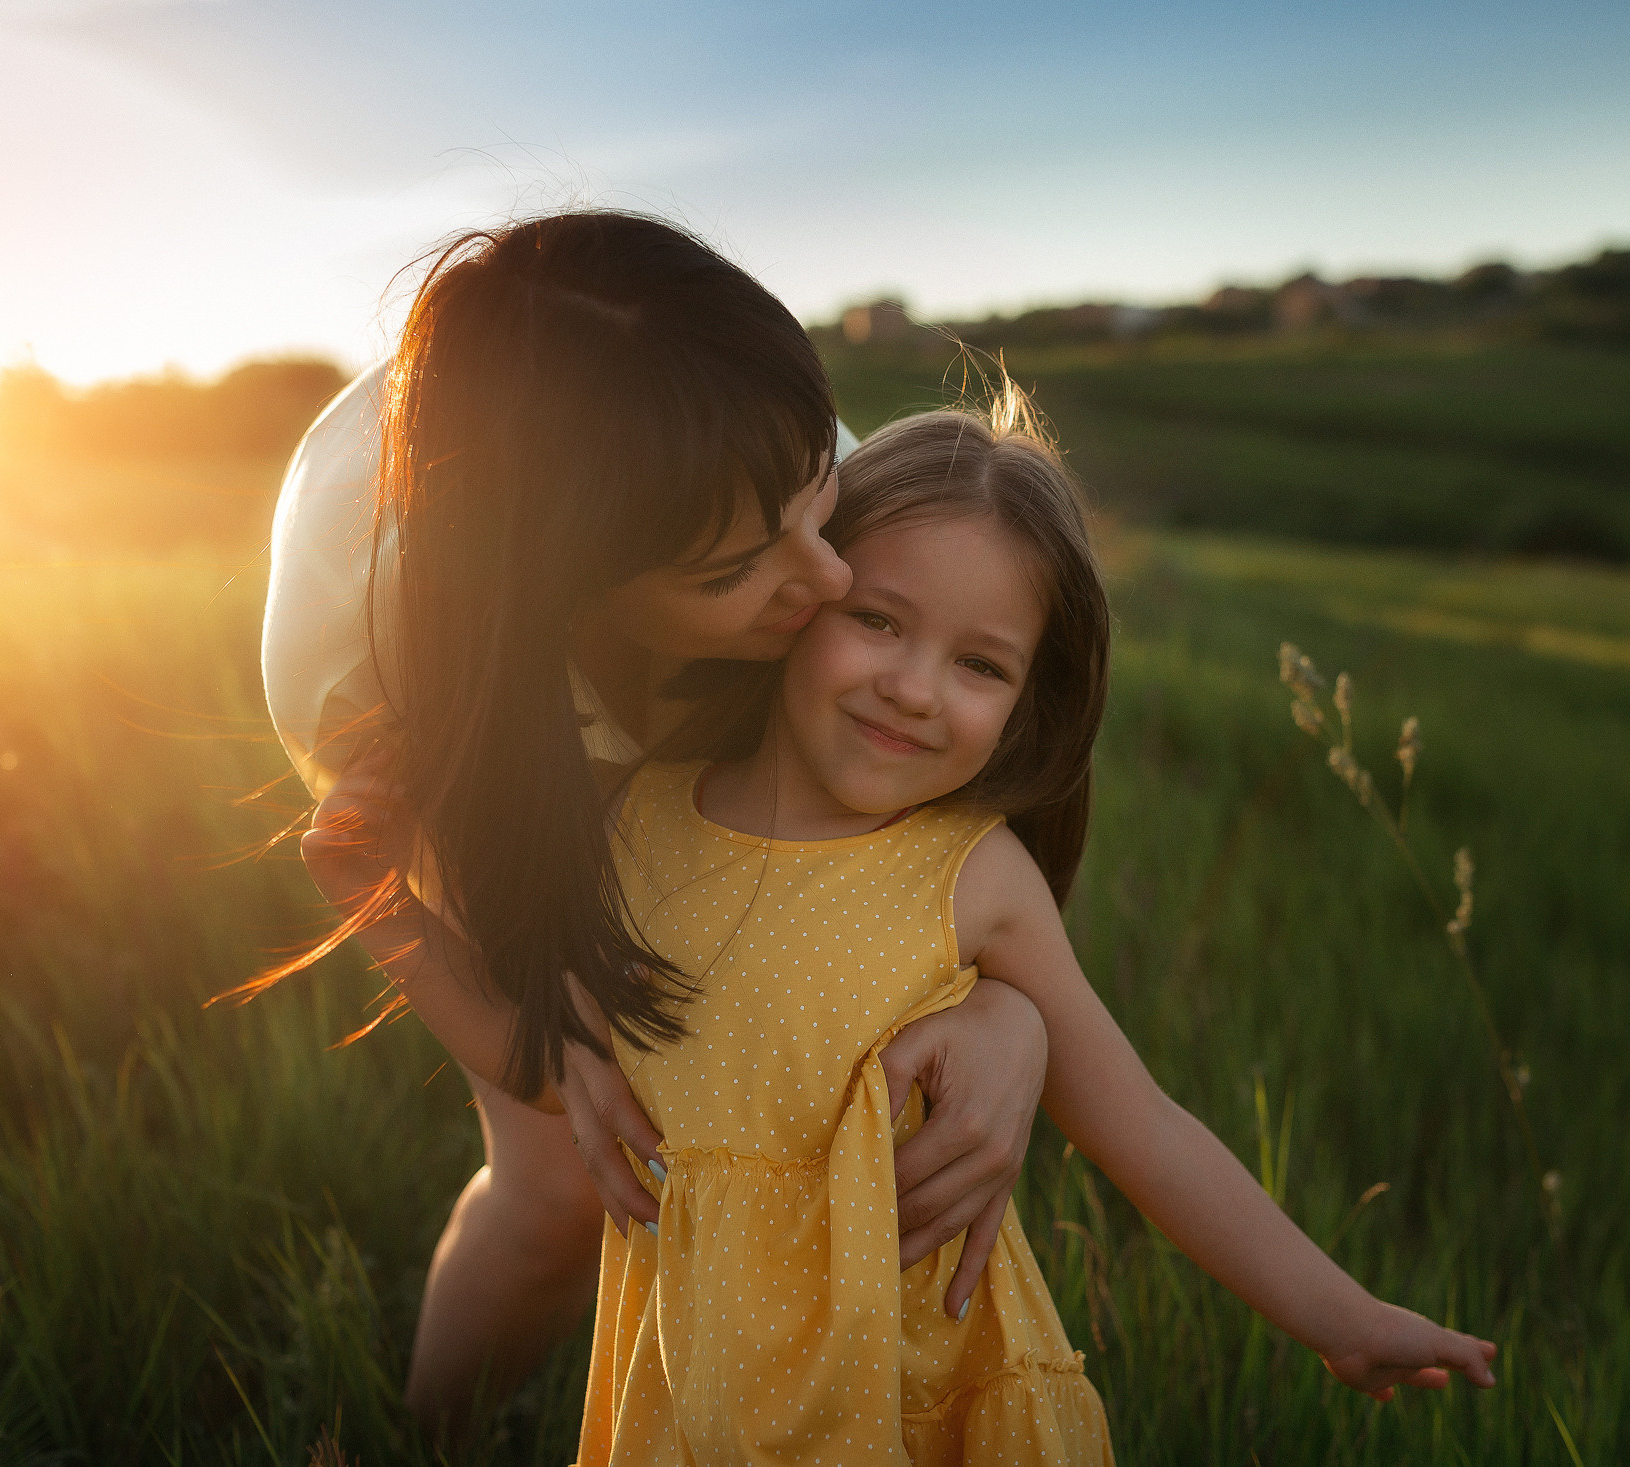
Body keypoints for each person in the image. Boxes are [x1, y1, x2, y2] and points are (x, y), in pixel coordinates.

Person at [551, 394, 1497, 1460]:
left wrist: (1343, 1318)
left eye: (981, 665)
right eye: (878, 620)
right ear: (797, 600)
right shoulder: (635, 816)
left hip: (911, 1385)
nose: (915, 689)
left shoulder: (974, 876)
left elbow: (1146, 1129)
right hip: (692, 1375)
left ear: (1023, 705)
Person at [256, 212, 1052, 1437]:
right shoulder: (376, 659)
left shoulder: (781, 470)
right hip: (492, 749)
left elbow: (940, 839)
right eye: (735, 570)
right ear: (569, 594)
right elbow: (355, 853)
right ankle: (422, 1438)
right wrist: (545, 1025)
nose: (831, 579)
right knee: (559, 1192)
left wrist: (1012, 1016)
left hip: (646, 625)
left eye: (815, 503)